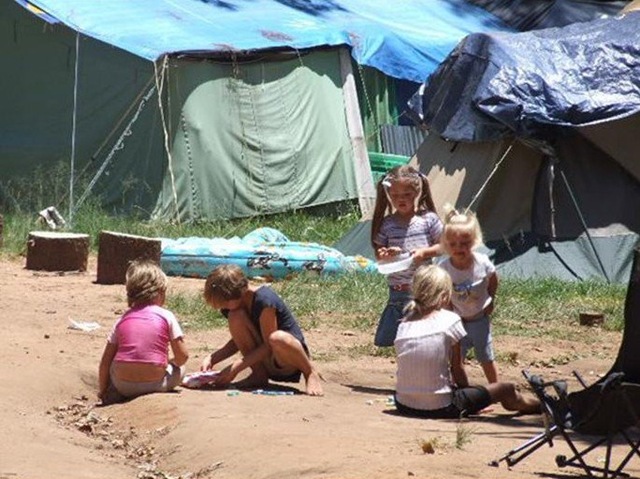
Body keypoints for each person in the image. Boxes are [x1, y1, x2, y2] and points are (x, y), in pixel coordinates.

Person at [394, 265, 539, 418]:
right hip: (441, 406)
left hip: (403, 404)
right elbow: (457, 368)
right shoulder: (450, 320)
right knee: (505, 389)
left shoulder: (404, 324)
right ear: (445, 295)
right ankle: (542, 405)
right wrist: (471, 401)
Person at [200, 264, 323, 396]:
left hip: (286, 359)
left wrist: (235, 368)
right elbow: (238, 340)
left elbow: (269, 345)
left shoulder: (264, 301)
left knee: (277, 338)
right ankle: (259, 374)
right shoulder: (234, 308)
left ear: (238, 294)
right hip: (266, 360)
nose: (223, 307)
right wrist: (212, 358)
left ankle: (309, 372)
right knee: (235, 317)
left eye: (225, 303)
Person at [371, 165, 443, 347]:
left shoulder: (428, 220)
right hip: (398, 289)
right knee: (392, 336)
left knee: (423, 331)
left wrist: (425, 252)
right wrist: (385, 254)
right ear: (388, 194)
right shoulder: (387, 224)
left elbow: (445, 245)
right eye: (395, 195)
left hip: (424, 287)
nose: (400, 199)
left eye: (406, 194)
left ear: (416, 192)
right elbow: (380, 253)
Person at [98, 260, 189, 404]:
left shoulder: (122, 319)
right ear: (160, 292)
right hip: (156, 384)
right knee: (181, 369)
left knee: (115, 364)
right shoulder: (166, 316)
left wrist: (103, 390)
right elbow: (183, 356)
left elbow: (105, 362)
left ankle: (116, 393)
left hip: (122, 385)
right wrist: (170, 362)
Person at [438, 206, 499, 383]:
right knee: (456, 358)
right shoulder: (444, 268)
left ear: (474, 241)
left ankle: (496, 388)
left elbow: (493, 278)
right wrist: (448, 312)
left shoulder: (482, 262)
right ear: (445, 244)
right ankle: (458, 388)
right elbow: (442, 291)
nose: (459, 248)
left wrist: (491, 299)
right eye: (453, 244)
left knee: (486, 356)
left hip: (479, 319)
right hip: (457, 321)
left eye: (464, 243)